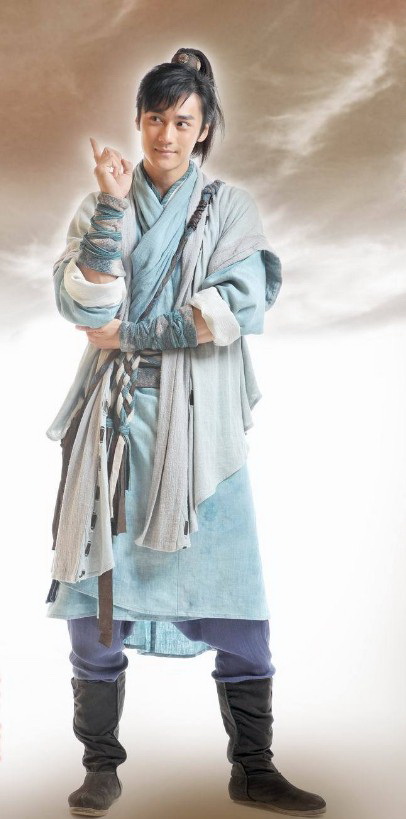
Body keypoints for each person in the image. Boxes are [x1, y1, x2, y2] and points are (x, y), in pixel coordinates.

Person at [45, 47, 327, 817]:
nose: (166, 134)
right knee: (94, 608)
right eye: (154, 118)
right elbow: (84, 306)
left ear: (202, 130)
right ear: (138, 122)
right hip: (112, 430)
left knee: (239, 606)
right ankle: (100, 767)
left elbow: (237, 302)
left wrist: (138, 331)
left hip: (202, 434)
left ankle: (253, 767)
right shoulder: (102, 203)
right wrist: (111, 208)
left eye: (182, 120)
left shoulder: (230, 208)